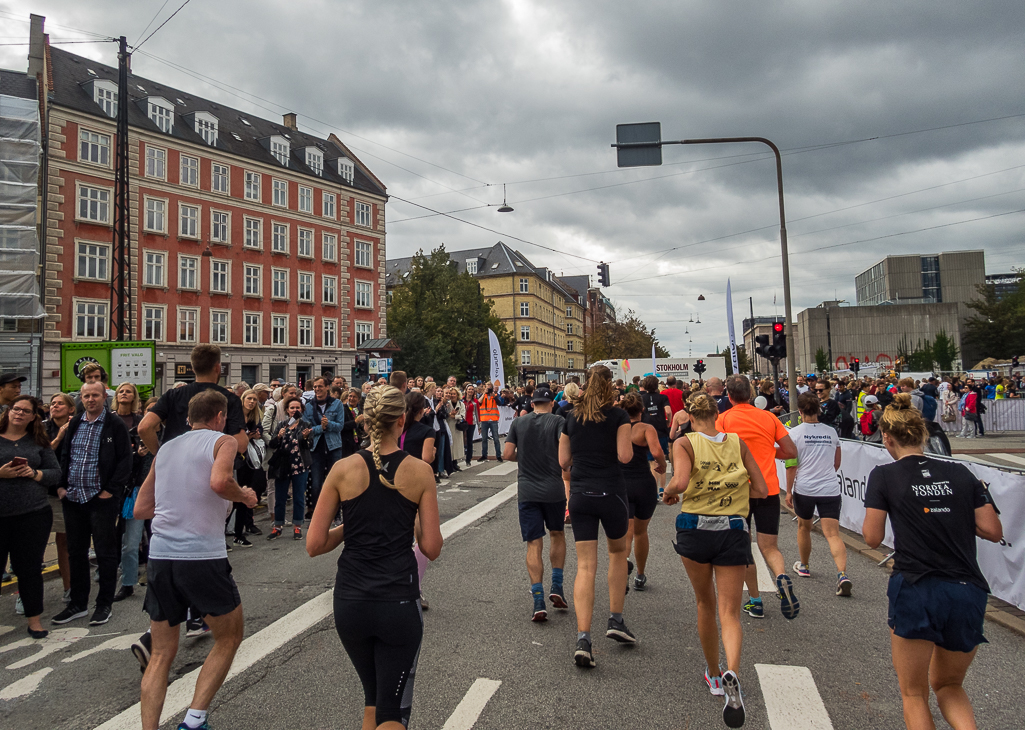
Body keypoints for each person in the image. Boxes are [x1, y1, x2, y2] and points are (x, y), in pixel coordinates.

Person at [862, 394, 1002, 730]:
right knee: (950, 685)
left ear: (887, 438)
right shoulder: (960, 472)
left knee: (913, 692)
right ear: (923, 434)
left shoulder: (883, 476)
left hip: (916, 586)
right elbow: (992, 530)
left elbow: (870, 537)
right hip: (966, 589)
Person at [306, 385, 441, 729]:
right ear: (402, 420)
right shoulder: (420, 472)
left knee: (373, 702)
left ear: (365, 420)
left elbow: (315, 544)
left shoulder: (342, 469)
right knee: (392, 712)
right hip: (397, 600)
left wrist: (350, 528)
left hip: (350, 601)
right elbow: (432, 548)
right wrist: (408, 521)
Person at [133, 389, 257, 730]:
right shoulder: (222, 442)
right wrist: (243, 496)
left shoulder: (166, 448)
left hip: (160, 554)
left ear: (188, 418)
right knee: (229, 636)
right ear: (219, 417)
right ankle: (194, 719)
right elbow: (219, 481)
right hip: (201, 554)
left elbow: (141, 508)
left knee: (160, 654)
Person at [663, 392, 767, 728]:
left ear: (690, 418)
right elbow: (762, 489)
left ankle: (713, 672)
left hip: (695, 526)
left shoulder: (685, 443)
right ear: (716, 416)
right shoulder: (736, 442)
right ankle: (733, 671)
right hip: (732, 527)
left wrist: (668, 492)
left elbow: (679, 481)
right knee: (730, 611)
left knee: (705, 603)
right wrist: (731, 493)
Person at [559, 365, 635, 667]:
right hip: (612, 493)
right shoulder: (618, 416)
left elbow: (564, 461)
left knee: (585, 566)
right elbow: (625, 456)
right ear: (610, 387)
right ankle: (615, 619)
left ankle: (583, 637)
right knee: (617, 554)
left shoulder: (570, 418)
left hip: (580, 495)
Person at [716, 374, 800, 620]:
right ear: (751, 394)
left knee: (744, 546)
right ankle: (782, 577)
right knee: (769, 546)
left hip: (738, 490)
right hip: (768, 489)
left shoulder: (723, 420)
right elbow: (790, 451)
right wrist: (767, 451)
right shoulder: (769, 417)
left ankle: (755, 600)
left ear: (729, 396)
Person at [52, 381, 132, 626]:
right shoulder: (75, 422)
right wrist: (60, 486)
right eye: (86, 395)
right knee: (76, 552)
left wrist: (110, 491)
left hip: (101, 499)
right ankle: (78, 603)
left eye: (95, 395)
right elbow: (65, 455)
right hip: (74, 497)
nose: (90, 399)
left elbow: (125, 461)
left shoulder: (114, 424)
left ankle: (103, 604)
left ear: (104, 397)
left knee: (105, 552)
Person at [503, 385, 568, 622]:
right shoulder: (559, 422)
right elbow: (565, 454)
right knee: (557, 534)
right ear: (552, 404)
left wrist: (527, 456)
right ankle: (557, 586)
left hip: (528, 490)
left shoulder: (519, 423)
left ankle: (538, 599)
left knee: (533, 543)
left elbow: (508, 454)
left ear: (532, 403)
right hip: (553, 489)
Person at [0, 396, 61, 639]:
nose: (19, 414)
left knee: (30, 570)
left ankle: (34, 621)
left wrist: (35, 473)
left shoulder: (38, 442)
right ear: (8, 411)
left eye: (26, 411)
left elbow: (55, 473)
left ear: (34, 417)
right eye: (16, 409)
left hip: (33, 515)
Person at [785, 393, 852, 596]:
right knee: (832, 534)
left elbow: (791, 465)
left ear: (801, 411)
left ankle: (804, 565)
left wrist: (788, 491)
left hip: (805, 488)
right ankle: (842, 574)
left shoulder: (795, 433)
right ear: (819, 410)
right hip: (829, 487)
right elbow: (836, 463)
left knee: (804, 527)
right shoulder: (831, 432)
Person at [620, 392, 665, 592]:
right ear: (642, 409)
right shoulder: (646, 428)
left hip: (622, 482)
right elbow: (656, 452)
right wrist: (662, 466)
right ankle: (640, 573)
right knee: (641, 531)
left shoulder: (618, 430)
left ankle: (622, 568)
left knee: (626, 533)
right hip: (644, 483)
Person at [116, 396, 159, 601]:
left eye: (155, 412)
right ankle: (128, 583)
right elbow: (122, 464)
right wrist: (138, 456)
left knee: (159, 540)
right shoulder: (132, 436)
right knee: (131, 543)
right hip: (136, 493)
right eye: (148, 411)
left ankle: (157, 580)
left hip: (161, 495)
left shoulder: (170, 437)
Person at [267, 397, 313, 540]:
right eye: (292, 408)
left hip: (299, 465)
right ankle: (277, 526)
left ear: (302, 409)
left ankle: (297, 526)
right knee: (280, 497)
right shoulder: (282, 424)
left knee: (299, 497)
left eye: (297, 408)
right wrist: (279, 437)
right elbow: (272, 444)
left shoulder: (305, 425)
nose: (294, 410)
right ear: (287, 410)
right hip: (283, 466)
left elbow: (310, 445)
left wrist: (305, 438)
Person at [44, 392, 75, 600]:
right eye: (53, 403)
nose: (55, 407)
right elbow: (43, 454)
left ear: (71, 409)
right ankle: (25, 593)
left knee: (64, 542)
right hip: (45, 490)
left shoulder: (79, 426)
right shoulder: (41, 428)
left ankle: (69, 587)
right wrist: (59, 436)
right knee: (36, 541)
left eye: (60, 404)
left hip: (66, 491)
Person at [302, 377, 345, 517]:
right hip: (316, 448)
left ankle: (336, 513)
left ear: (327, 387)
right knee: (316, 483)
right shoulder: (308, 406)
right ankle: (318, 514)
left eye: (320, 386)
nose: (317, 389)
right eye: (315, 387)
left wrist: (329, 425)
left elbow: (340, 426)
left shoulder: (337, 404)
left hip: (333, 447)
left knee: (335, 481)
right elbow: (307, 429)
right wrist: (322, 427)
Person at [232, 389, 266, 547]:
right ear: (243, 399)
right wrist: (248, 436)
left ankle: (239, 534)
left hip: (250, 461)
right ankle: (227, 533)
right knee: (232, 500)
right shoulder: (234, 417)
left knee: (245, 496)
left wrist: (256, 434)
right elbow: (232, 439)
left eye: (254, 399)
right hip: (235, 460)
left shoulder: (254, 418)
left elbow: (260, 431)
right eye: (249, 398)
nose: (252, 402)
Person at [640, 375, 671, 495]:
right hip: (661, 429)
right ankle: (662, 488)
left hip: (647, 429)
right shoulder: (663, 397)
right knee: (661, 459)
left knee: (652, 462)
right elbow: (668, 411)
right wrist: (667, 422)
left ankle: (654, 490)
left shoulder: (642, 398)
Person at [476, 383, 502, 462]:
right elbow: (478, 402)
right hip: (484, 420)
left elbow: (500, 403)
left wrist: (494, 395)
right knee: (484, 439)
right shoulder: (482, 396)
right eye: (487, 388)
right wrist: (484, 393)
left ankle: (498, 455)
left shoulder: (495, 396)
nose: (489, 390)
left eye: (490, 388)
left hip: (493, 419)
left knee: (496, 438)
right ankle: (484, 455)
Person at [462, 384, 480, 465]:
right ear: (466, 390)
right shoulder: (462, 400)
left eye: (472, 389)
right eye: (469, 389)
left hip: (471, 423)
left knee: (469, 441)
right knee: (461, 440)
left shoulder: (475, 402)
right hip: (462, 422)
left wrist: (479, 426)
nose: (470, 391)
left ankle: (468, 459)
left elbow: (477, 413)